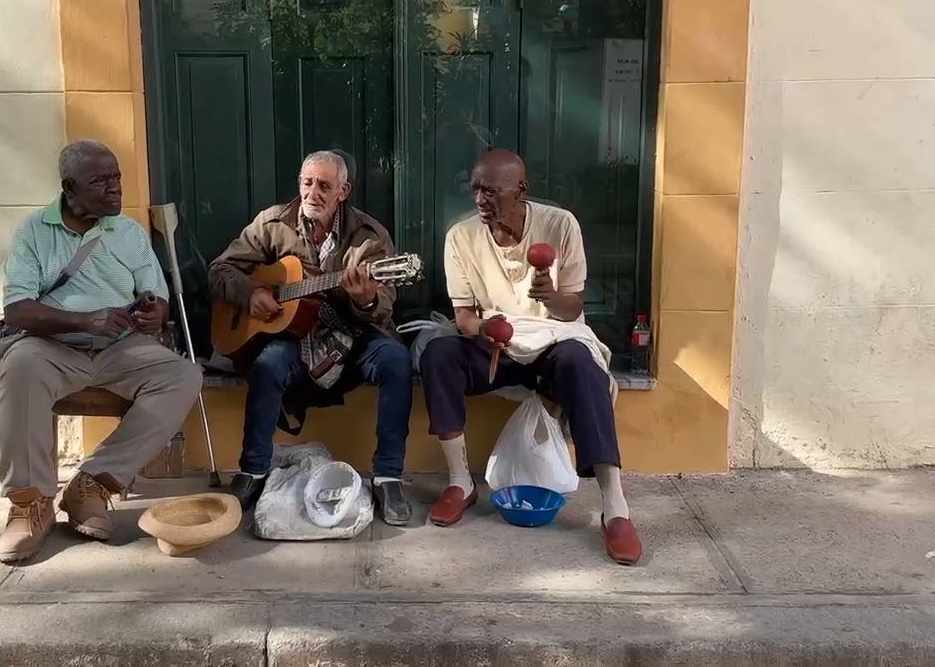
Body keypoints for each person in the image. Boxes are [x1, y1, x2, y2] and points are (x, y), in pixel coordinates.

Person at [419, 149, 643, 565]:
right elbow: (464, 316)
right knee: (439, 353)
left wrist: (551, 295)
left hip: (554, 339)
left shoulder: (560, 225)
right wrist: (487, 329)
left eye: (492, 191)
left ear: (521, 188)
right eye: (476, 190)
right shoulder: (461, 237)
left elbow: (572, 310)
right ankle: (458, 483)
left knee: (582, 364)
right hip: (496, 344)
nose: (482, 199)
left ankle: (615, 506)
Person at [0, 140, 202, 563]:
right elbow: (18, 307)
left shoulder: (128, 232)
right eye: (100, 181)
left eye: (117, 177)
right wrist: (86, 320)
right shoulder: (34, 231)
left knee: (183, 376)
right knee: (19, 367)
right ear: (70, 188)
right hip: (50, 346)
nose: (114, 189)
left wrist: (152, 315)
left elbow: (155, 296)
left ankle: (93, 484)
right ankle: (29, 504)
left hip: (120, 350)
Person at [208, 150, 413, 526]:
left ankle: (388, 476)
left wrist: (365, 297)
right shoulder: (272, 224)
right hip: (294, 338)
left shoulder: (370, 237)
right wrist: (250, 293)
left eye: (324, 186)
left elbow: (384, 307)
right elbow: (221, 268)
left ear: (343, 191)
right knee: (268, 364)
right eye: (307, 183)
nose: (313, 193)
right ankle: (253, 470)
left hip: (355, 337)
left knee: (397, 361)